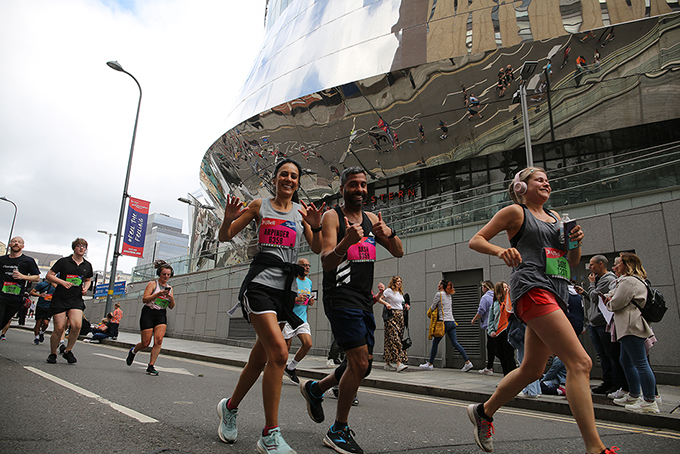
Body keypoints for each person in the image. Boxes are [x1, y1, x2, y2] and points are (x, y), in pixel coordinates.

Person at [468, 167, 617, 454]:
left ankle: (483, 412)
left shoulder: (557, 218)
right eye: (538, 179)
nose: (546, 182)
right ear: (521, 187)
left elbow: (571, 260)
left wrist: (575, 241)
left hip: (557, 292)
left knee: (532, 370)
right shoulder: (516, 212)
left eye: (547, 179)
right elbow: (476, 240)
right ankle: (595, 448)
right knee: (581, 363)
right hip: (532, 288)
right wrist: (501, 251)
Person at [215, 158, 324, 454]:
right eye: (284, 175)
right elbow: (225, 236)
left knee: (259, 359)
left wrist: (314, 227)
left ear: (298, 183)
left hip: (284, 294)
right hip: (259, 287)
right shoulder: (259, 206)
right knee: (279, 352)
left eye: (294, 176)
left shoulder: (301, 214)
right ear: (275, 179)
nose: (288, 179)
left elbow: (315, 248)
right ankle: (270, 434)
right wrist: (227, 218)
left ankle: (230, 407)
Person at [299, 166, 403, 454]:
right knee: (357, 363)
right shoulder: (333, 217)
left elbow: (399, 251)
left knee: (364, 365)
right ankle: (338, 429)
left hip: (362, 299)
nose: (359, 189)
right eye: (354, 185)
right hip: (340, 297)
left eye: (363, 185)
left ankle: (315, 389)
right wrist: (347, 241)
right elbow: (327, 261)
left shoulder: (371, 220)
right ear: (343, 187)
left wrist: (389, 232)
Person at [605, 252, 659, 414]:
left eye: (619, 263)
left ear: (627, 265)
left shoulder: (629, 281)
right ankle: (634, 394)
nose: (616, 266)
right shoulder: (632, 281)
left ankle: (649, 401)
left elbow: (616, 303)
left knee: (640, 363)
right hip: (629, 326)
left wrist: (609, 302)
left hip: (631, 326)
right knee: (626, 360)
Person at [579, 255, 624, 395]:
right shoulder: (599, 280)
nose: (590, 267)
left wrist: (591, 284)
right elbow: (594, 300)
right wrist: (585, 293)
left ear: (600, 264)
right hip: (594, 323)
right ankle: (608, 382)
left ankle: (616, 383)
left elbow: (596, 297)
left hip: (602, 324)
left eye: (592, 265)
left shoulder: (609, 279)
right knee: (602, 355)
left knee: (610, 354)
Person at [46, 238, 93, 365]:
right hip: (60, 298)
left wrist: (85, 289)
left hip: (76, 299)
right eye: (79, 246)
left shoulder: (87, 265)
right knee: (59, 328)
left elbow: (88, 279)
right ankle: (53, 353)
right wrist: (62, 282)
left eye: (84, 246)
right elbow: (49, 275)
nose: (81, 248)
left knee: (77, 325)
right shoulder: (63, 262)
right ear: (74, 248)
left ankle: (68, 350)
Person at [126, 260, 176, 375]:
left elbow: (172, 306)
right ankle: (133, 351)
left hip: (161, 314)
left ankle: (151, 365)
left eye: (168, 274)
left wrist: (171, 298)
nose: (166, 277)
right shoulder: (152, 284)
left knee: (158, 340)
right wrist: (157, 294)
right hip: (149, 312)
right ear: (159, 274)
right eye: (164, 274)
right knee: (145, 343)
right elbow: (144, 299)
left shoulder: (170, 288)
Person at [419, 279, 473, 371]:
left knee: (435, 343)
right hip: (452, 322)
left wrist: (429, 313)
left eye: (439, 283)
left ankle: (430, 364)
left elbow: (432, 307)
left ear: (441, 286)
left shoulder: (439, 294)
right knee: (455, 343)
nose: (438, 285)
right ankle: (467, 362)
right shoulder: (449, 295)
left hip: (443, 323)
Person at [283, 258, 316, 385]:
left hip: (302, 319)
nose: (307, 268)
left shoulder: (309, 282)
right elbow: (284, 298)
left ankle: (290, 368)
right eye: (304, 265)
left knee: (308, 344)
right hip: (289, 318)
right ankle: (279, 369)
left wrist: (310, 301)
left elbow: (307, 299)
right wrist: (296, 298)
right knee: (286, 347)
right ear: (298, 267)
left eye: (308, 265)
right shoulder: (291, 281)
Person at [0, 237, 40, 340]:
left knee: (4, 321)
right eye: (14, 241)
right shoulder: (2, 260)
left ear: (23, 246)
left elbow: (36, 277)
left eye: (19, 242)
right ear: (10, 245)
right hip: (1, 295)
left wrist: (23, 277)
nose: (16, 243)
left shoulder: (28, 261)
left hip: (16, 297)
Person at [486, 282, 516, 375]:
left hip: (508, 330)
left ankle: (513, 378)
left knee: (509, 356)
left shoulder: (509, 301)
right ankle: (506, 377)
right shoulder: (494, 304)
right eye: (504, 288)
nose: (506, 289)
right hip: (498, 332)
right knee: (502, 356)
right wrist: (491, 331)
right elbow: (491, 319)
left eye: (507, 287)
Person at [382, 276, 409, 372]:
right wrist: (386, 304)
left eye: (400, 281)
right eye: (398, 281)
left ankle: (387, 362)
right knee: (395, 338)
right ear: (394, 282)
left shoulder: (400, 293)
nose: (399, 283)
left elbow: (400, 304)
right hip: (391, 316)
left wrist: (405, 306)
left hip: (400, 316)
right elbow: (379, 298)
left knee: (391, 338)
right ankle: (398, 363)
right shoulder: (389, 291)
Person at [471, 280, 495, 375]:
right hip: (498, 325)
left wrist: (474, 319)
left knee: (491, 347)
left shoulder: (485, 298)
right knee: (493, 346)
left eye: (482, 287)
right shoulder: (496, 296)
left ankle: (490, 367)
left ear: (486, 287)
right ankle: (490, 367)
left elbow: (481, 310)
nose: (481, 289)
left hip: (490, 325)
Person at [29, 279, 56, 345]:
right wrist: (40, 295)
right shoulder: (42, 284)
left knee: (46, 323)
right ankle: (36, 338)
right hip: (41, 306)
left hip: (50, 307)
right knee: (38, 322)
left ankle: (42, 332)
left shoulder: (56, 285)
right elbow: (31, 292)